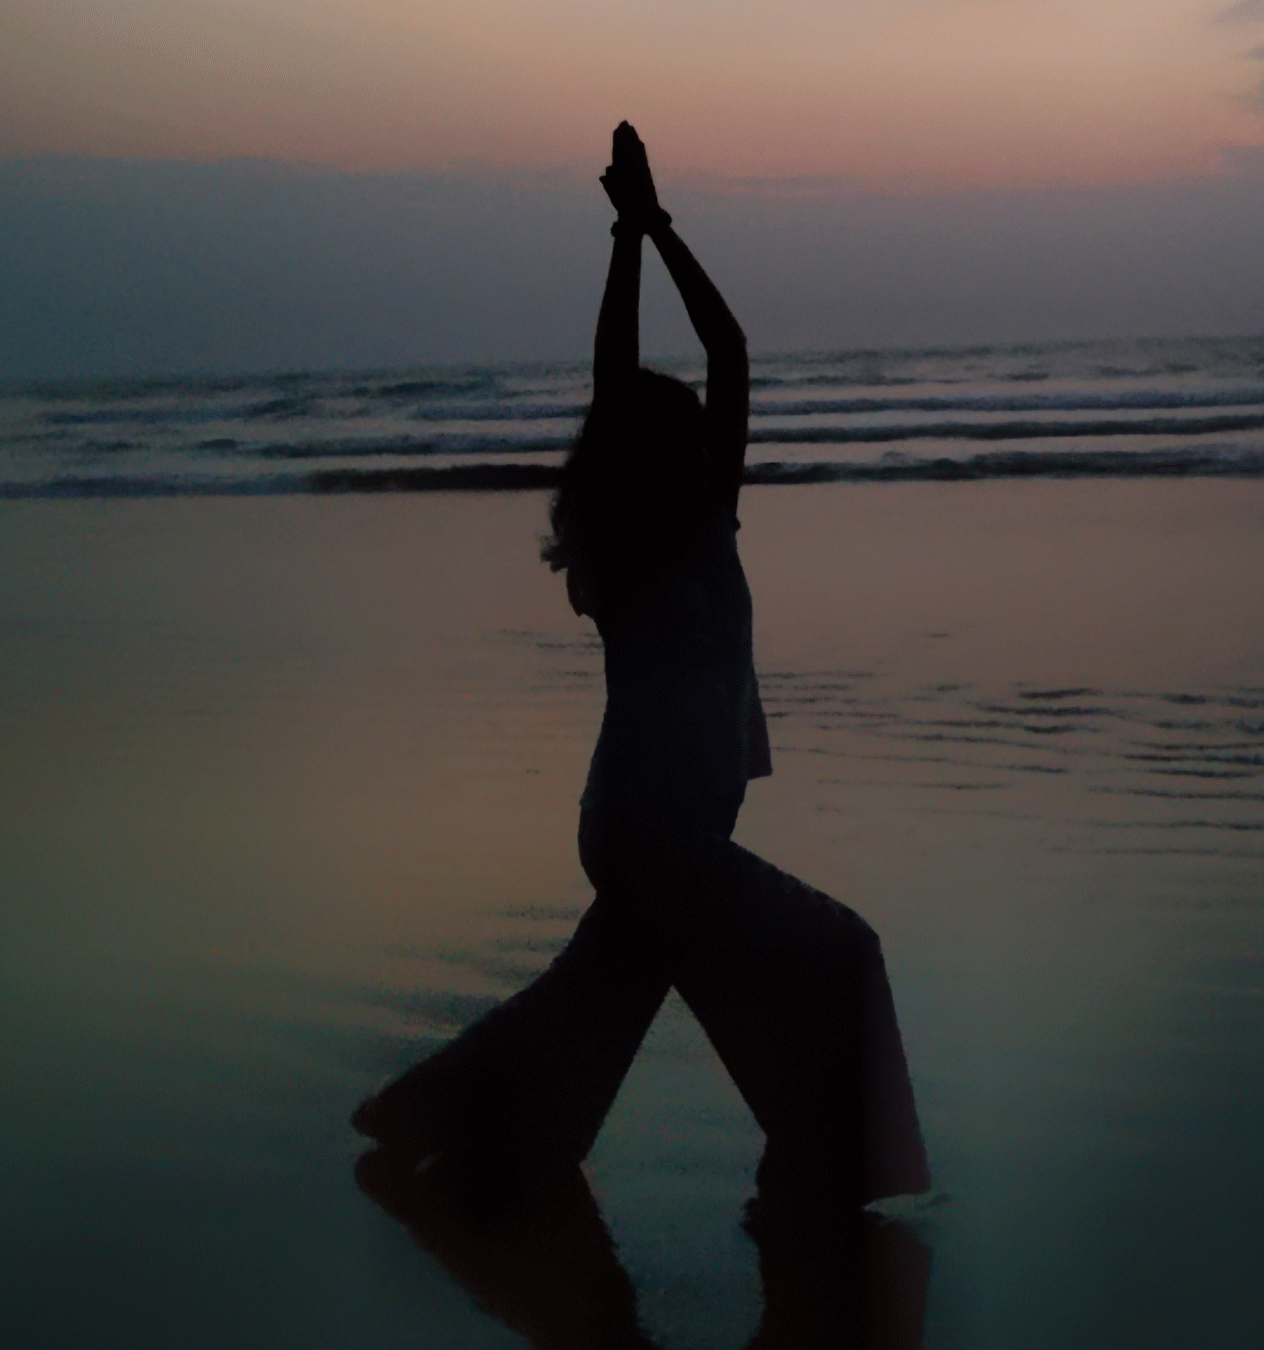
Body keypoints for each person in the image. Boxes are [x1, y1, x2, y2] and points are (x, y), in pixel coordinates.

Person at [353, 124, 929, 1216]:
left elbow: (732, 353)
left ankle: (427, 1120)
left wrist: (659, 226)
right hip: (647, 833)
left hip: (679, 836)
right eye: (680, 435)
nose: (705, 440)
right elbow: (617, 376)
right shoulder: (628, 556)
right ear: (639, 460)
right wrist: (625, 239)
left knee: (593, 1012)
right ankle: (832, 1179)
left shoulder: (713, 521)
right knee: (845, 955)